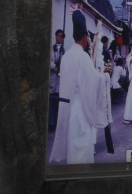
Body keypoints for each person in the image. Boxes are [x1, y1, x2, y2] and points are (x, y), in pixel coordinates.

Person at [48, 11, 112, 165]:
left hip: (69, 108)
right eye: (88, 37)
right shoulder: (83, 57)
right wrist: (105, 76)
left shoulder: (67, 56)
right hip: (81, 108)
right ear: (84, 37)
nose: (89, 40)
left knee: (74, 146)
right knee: (83, 148)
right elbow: (93, 82)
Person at [49, 29, 65, 129]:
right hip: (52, 77)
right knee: (51, 101)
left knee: (57, 102)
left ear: (62, 39)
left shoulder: (64, 51)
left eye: (59, 36)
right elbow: (48, 60)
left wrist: (61, 68)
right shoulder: (51, 49)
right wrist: (54, 67)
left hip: (59, 80)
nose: (57, 38)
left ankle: (56, 124)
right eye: (57, 36)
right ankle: (50, 123)